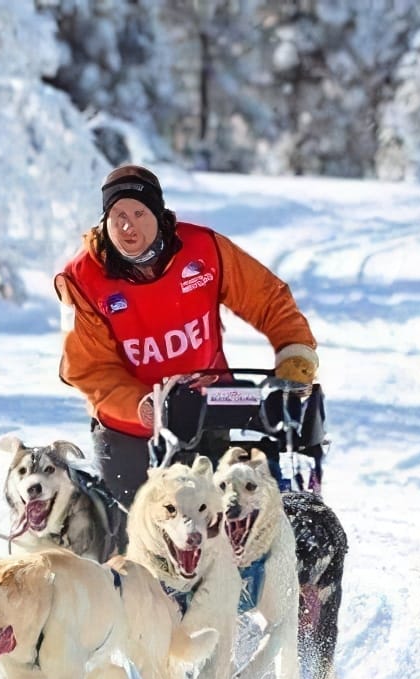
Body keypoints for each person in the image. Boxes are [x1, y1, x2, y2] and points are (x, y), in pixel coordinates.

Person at [54, 164, 320, 507]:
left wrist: (294, 353)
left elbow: (267, 298)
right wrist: (142, 405)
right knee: (133, 527)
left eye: (139, 213)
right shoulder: (80, 278)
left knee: (217, 515)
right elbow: (87, 369)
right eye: (118, 215)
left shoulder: (203, 249)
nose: (127, 225)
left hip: (208, 404)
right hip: (130, 427)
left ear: (158, 214)